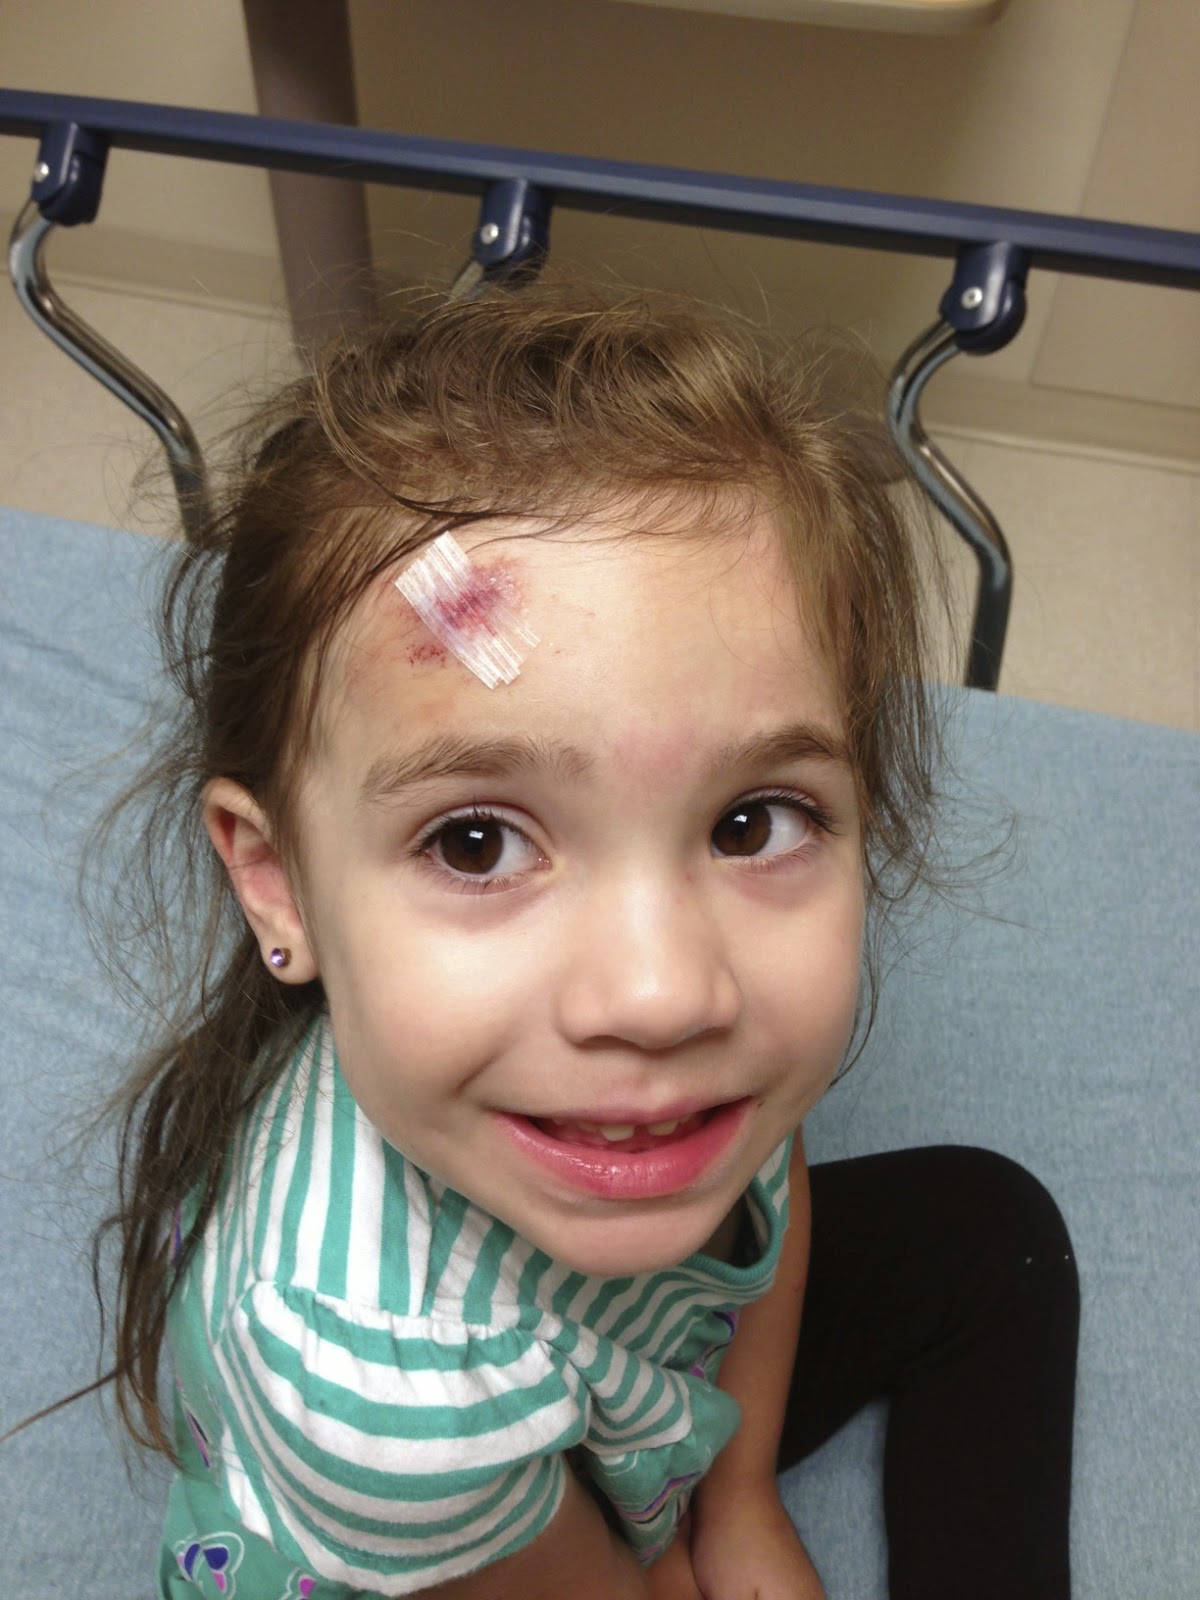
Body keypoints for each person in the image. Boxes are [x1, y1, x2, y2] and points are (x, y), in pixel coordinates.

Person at [98, 285, 1078, 1599]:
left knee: (989, 1231)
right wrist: (665, 1568)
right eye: (476, 843)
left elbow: (767, 1179)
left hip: (617, 1389)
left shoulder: (702, 1051)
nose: (666, 993)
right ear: (276, 884)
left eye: (752, 822)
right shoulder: (366, 1376)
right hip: (469, 1532)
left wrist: (737, 1502)